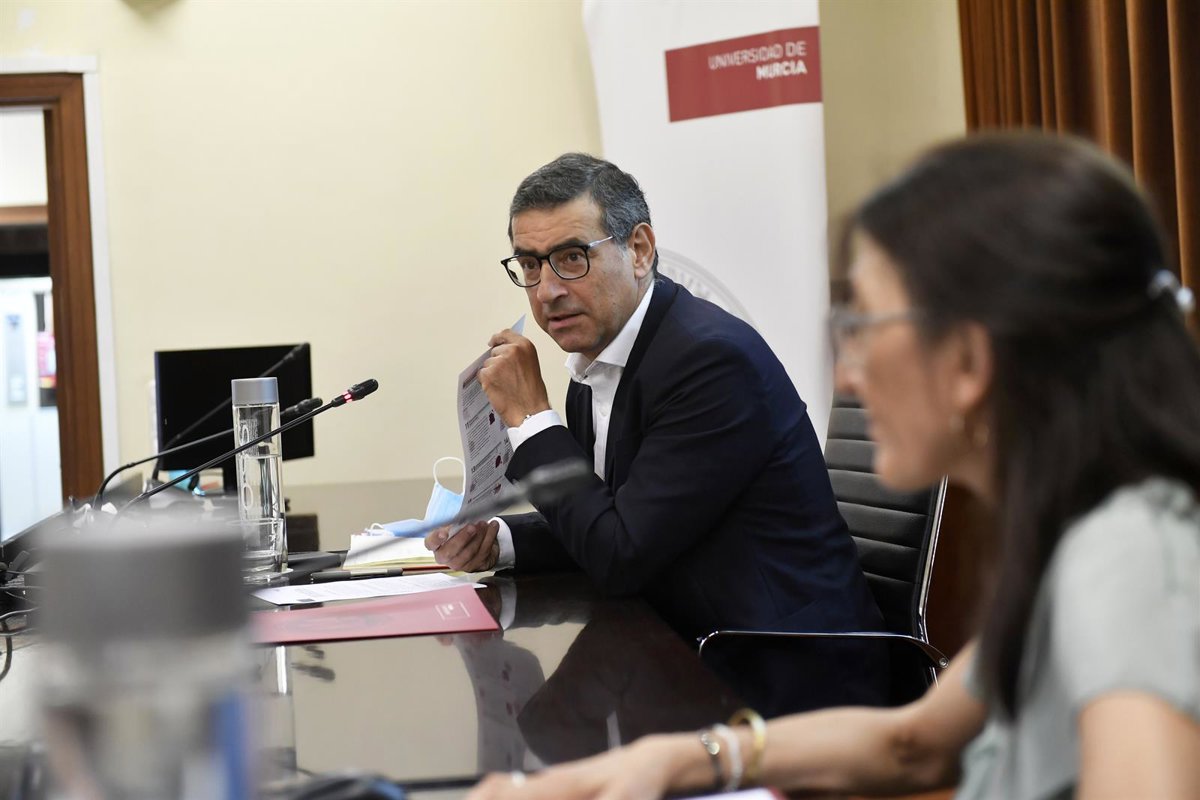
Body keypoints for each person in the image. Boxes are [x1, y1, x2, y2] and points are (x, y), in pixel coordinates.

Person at [465, 134, 1200, 799]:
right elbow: (911, 743)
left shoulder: (1129, 564)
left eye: (864, 327)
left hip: (781, 672)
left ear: (970, 361)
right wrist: (683, 760)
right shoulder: (1071, 538)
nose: (845, 374)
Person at [427, 153, 887, 711]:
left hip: (786, 678)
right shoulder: (597, 362)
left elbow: (620, 553)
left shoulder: (709, 363)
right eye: (530, 265)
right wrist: (500, 540)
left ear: (640, 250)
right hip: (689, 653)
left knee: (556, 736)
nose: (546, 291)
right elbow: (614, 519)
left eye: (571, 258)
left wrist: (531, 417)